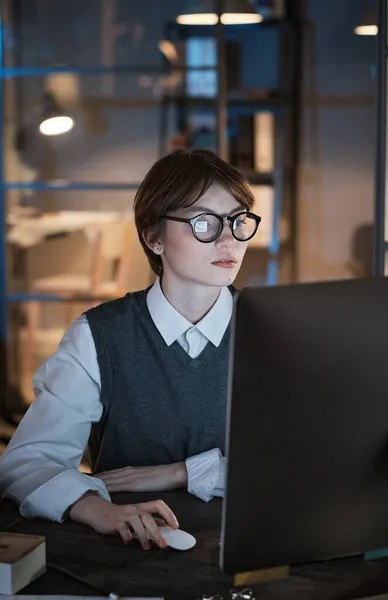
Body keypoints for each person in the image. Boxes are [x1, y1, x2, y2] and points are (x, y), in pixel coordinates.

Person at [0, 149, 260, 550]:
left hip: (252, 548)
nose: (228, 239)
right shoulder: (98, 335)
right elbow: (26, 463)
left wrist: (183, 472)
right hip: (129, 553)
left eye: (238, 221)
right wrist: (92, 506)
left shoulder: (272, 330)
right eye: (204, 222)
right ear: (153, 238)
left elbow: (306, 464)